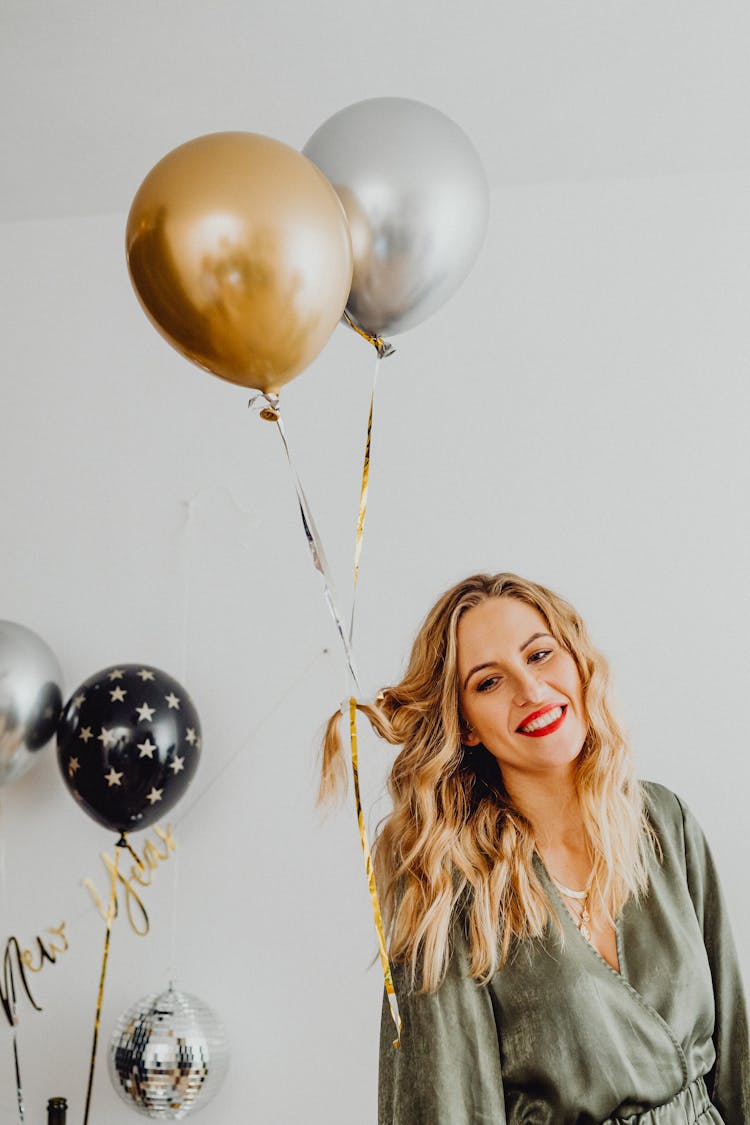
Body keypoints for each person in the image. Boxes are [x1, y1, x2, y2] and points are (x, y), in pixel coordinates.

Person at [320, 572, 750, 1124]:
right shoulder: (445, 881)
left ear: (577, 661)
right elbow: (445, 1105)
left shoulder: (663, 821)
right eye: (488, 682)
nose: (530, 690)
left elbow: (736, 1052)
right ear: (467, 726)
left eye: (540, 655)